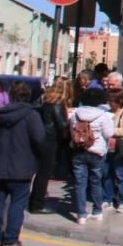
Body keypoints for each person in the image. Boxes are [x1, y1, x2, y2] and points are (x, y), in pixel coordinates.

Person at [0, 80, 44, 246]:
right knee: (18, 203)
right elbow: (39, 139)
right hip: (22, 165)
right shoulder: (31, 115)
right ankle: (10, 240)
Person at [69, 87, 115, 225]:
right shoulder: (103, 115)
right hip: (97, 152)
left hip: (78, 151)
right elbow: (108, 134)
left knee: (79, 183)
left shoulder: (75, 114)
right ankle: (97, 211)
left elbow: (71, 129)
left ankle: (81, 214)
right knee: (96, 181)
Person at [29, 76, 72, 213]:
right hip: (51, 140)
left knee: (40, 172)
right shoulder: (58, 104)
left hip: (42, 138)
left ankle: (35, 200)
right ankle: (37, 204)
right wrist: (70, 119)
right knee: (44, 172)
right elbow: (62, 124)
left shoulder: (46, 100)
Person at [103, 88, 123, 213]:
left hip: (120, 147)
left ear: (119, 100)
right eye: (109, 100)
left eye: (113, 101)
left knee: (121, 173)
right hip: (108, 147)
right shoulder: (107, 112)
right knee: (107, 173)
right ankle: (107, 198)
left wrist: (111, 131)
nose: (110, 103)